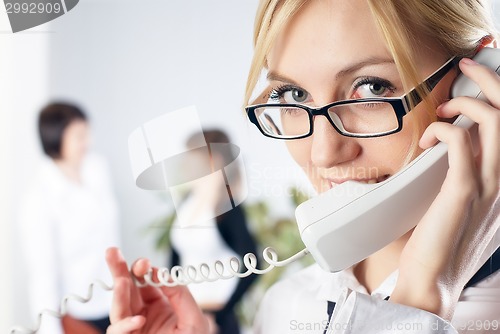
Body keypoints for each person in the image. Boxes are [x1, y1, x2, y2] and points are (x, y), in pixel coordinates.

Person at [105, 0, 500, 333]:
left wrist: (419, 304)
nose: (322, 154)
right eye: (293, 94)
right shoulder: (289, 305)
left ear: (480, 79)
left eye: (373, 88)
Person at [19, 102, 120, 334]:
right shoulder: (39, 199)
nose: (88, 143)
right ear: (56, 138)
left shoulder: (98, 168)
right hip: (77, 312)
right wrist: (50, 329)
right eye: (79, 136)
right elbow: (42, 273)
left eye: (87, 133)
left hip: (114, 300)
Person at [167, 129, 258, 334]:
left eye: (191, 157)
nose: (185, 164)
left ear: (211, 159)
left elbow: (254, 264)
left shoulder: (227, 208)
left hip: (216, 321)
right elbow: (174, 262)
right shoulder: (186, 204)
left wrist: (220, 314)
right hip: (185, 316)